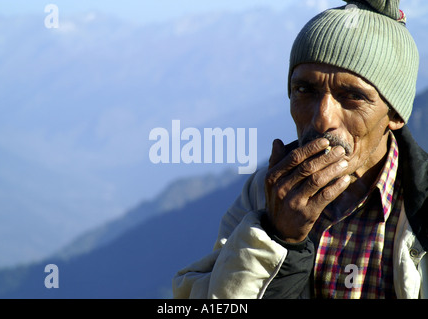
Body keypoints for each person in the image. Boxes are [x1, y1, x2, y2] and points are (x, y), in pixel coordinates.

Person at [172, 0, 428, 299]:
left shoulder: (419, 208)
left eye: (353, 96)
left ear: (395, 114)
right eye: (305, 90)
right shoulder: (264, 195)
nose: (322, 119)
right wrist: (277, 237)